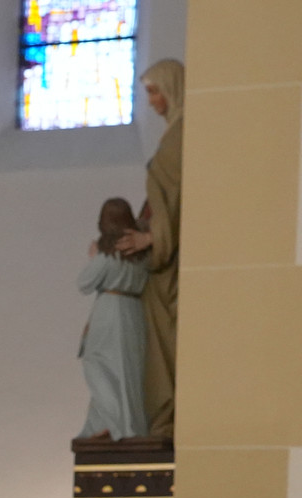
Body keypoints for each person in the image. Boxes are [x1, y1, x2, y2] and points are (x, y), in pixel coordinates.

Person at [136, 58, 183, 437]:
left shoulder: (183, 134)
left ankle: (169, 413)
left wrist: (154, 238)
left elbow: (181, 196)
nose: (152, 101)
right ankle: (163, 414)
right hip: (165, 252)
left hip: (172, 258)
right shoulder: (173, 133)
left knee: (169, 335)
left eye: (154, 92)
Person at [77, 197, 149, 440]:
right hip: (134, 312)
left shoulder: (108, 254)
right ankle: (116, 423)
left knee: (97, 364)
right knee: (128, 371)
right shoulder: (140, 255)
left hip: (109, 311)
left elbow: (84, 283)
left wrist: (94, 257)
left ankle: (114, 422)